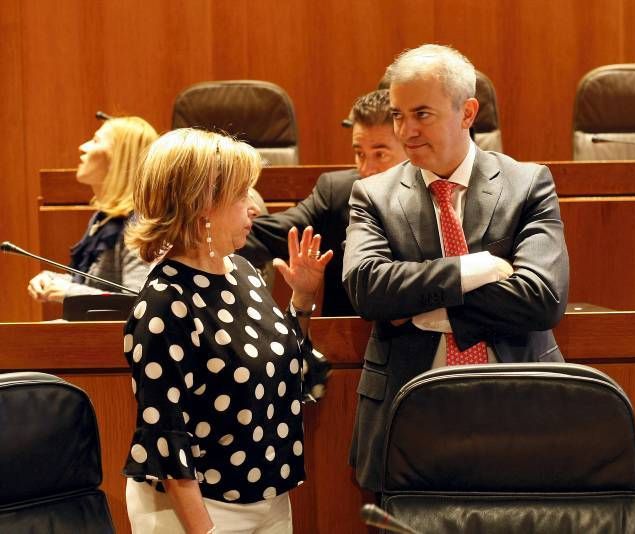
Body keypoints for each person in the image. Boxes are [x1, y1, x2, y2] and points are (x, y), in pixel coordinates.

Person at [343, 44, 570, 492]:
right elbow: (368, 288)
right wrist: (476, 269)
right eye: (397, 115)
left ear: (467, 113)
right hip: (409, 417)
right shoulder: (372, 195)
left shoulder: (528, 184)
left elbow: (542, 299)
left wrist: (426, 310)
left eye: (421, 114)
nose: (405, 131)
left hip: (517, 408)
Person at [122, 128, 332, 533]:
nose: (253, 208)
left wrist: (302, 300)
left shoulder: (244, 272)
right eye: (241, 196)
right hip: (196, 510)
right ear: (201, 205)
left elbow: (280, 371)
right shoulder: (164, 304)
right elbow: (165, 435)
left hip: (269, 496)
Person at [241, 89, 405, 316]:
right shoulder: (337, 192)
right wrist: (201, 234)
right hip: (346, 342)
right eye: (360, 154)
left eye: (380, 155)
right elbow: (272, 234)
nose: (366, 170)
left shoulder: (438, 196)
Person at [27, 116, 157, 303]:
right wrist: (52, 280)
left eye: (96, 141)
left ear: (120, 157)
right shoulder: (103, 218)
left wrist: (69, 292)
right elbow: (92, 284)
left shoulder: (139, 223)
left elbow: (138, 302)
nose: (83, 147)